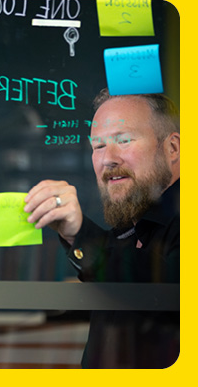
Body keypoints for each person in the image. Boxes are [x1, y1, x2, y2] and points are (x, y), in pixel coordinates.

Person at [24, 89, 180, 368]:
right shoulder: (130, 228)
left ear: (172, 148)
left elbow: (163, 293)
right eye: (98, 146)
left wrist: (80, 233)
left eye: (124, 140)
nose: (108, 158)